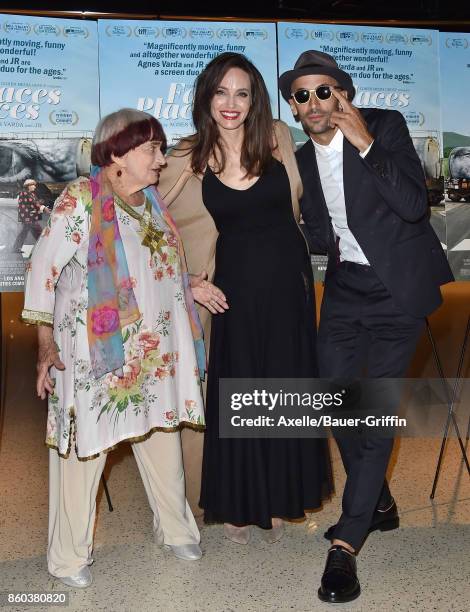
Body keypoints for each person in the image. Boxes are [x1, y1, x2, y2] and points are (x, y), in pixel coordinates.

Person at [21, 109, 227, 588]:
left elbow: (154, 265)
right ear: (116, 155)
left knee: (161, 436)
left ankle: (174, 528)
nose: (160, 159)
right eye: (151, 149)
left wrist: (190, 285)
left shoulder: (150, 201)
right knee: (84, 452)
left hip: (152, 354)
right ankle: (68, 557)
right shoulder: (80, 200)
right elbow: (43, 274)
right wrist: (44, 344)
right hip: (95, 355)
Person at [279, 50, 454, 603]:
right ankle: (376, 498)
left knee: (373, 410)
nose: (313, 103)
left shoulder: (383, 127)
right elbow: (315, 229)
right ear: (293, 104)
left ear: (343, 94)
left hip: (396, 291)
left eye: (323, 91)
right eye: (301, 95)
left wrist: (365, 144)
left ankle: (348, 542)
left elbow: (411, 206)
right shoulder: (304, 158)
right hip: (346, 289)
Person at [158, 52, 332, 545]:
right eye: (220, 92)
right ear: (206, 98)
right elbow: (147, 221)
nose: (230, 104)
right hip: (230, 295)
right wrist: (188, 279)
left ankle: (278, 495)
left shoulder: (277, 137)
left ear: (254, 98)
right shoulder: (187, 159)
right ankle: (238, 501)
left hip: (287, 290)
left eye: (241, 93)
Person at [13, 178, 50, 254]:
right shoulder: (24, 193)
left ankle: (16, 248)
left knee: (25, 232)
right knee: (38, 232)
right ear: (28, 186)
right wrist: (43, 208)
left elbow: (35, 202)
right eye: (33, 185)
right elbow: (34, 203)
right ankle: (43, 248)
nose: (35, 187)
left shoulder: (31, 194)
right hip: (28, 217)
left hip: (30, 217)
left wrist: (41, 205)